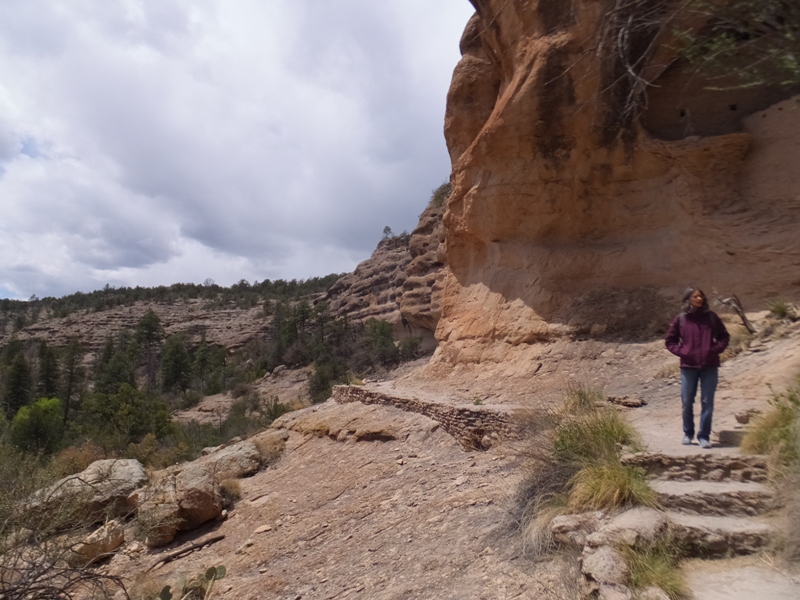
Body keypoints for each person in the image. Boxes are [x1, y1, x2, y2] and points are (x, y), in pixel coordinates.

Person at [665, 288, 730, 449]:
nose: (699, 298)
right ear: (688, 299)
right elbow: (670, 341)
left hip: (710, 366)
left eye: (701, 296)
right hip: (688, 366)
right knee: (687, 401)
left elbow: (724, 336)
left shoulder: (711, 317)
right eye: (695, 296)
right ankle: (688, 433)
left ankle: (704, 436)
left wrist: (714, 350)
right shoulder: (681, 319)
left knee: (707, 402)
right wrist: (683, 352)